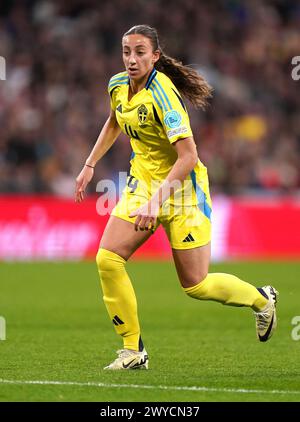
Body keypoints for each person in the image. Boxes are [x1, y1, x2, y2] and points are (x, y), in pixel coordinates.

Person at [75, 25, 278, 370]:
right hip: (143, 184)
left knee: (195, 285)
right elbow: (113, 121)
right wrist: (89, 164)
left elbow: (188, 157)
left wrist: (157, 202)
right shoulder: (117, 86)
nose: (131, 59)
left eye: (140, 52)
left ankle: (262, 300)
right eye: (126, 51)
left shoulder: (164, 95)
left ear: (155, 56)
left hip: (183, 192)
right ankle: (133, 350)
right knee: (108, 258)